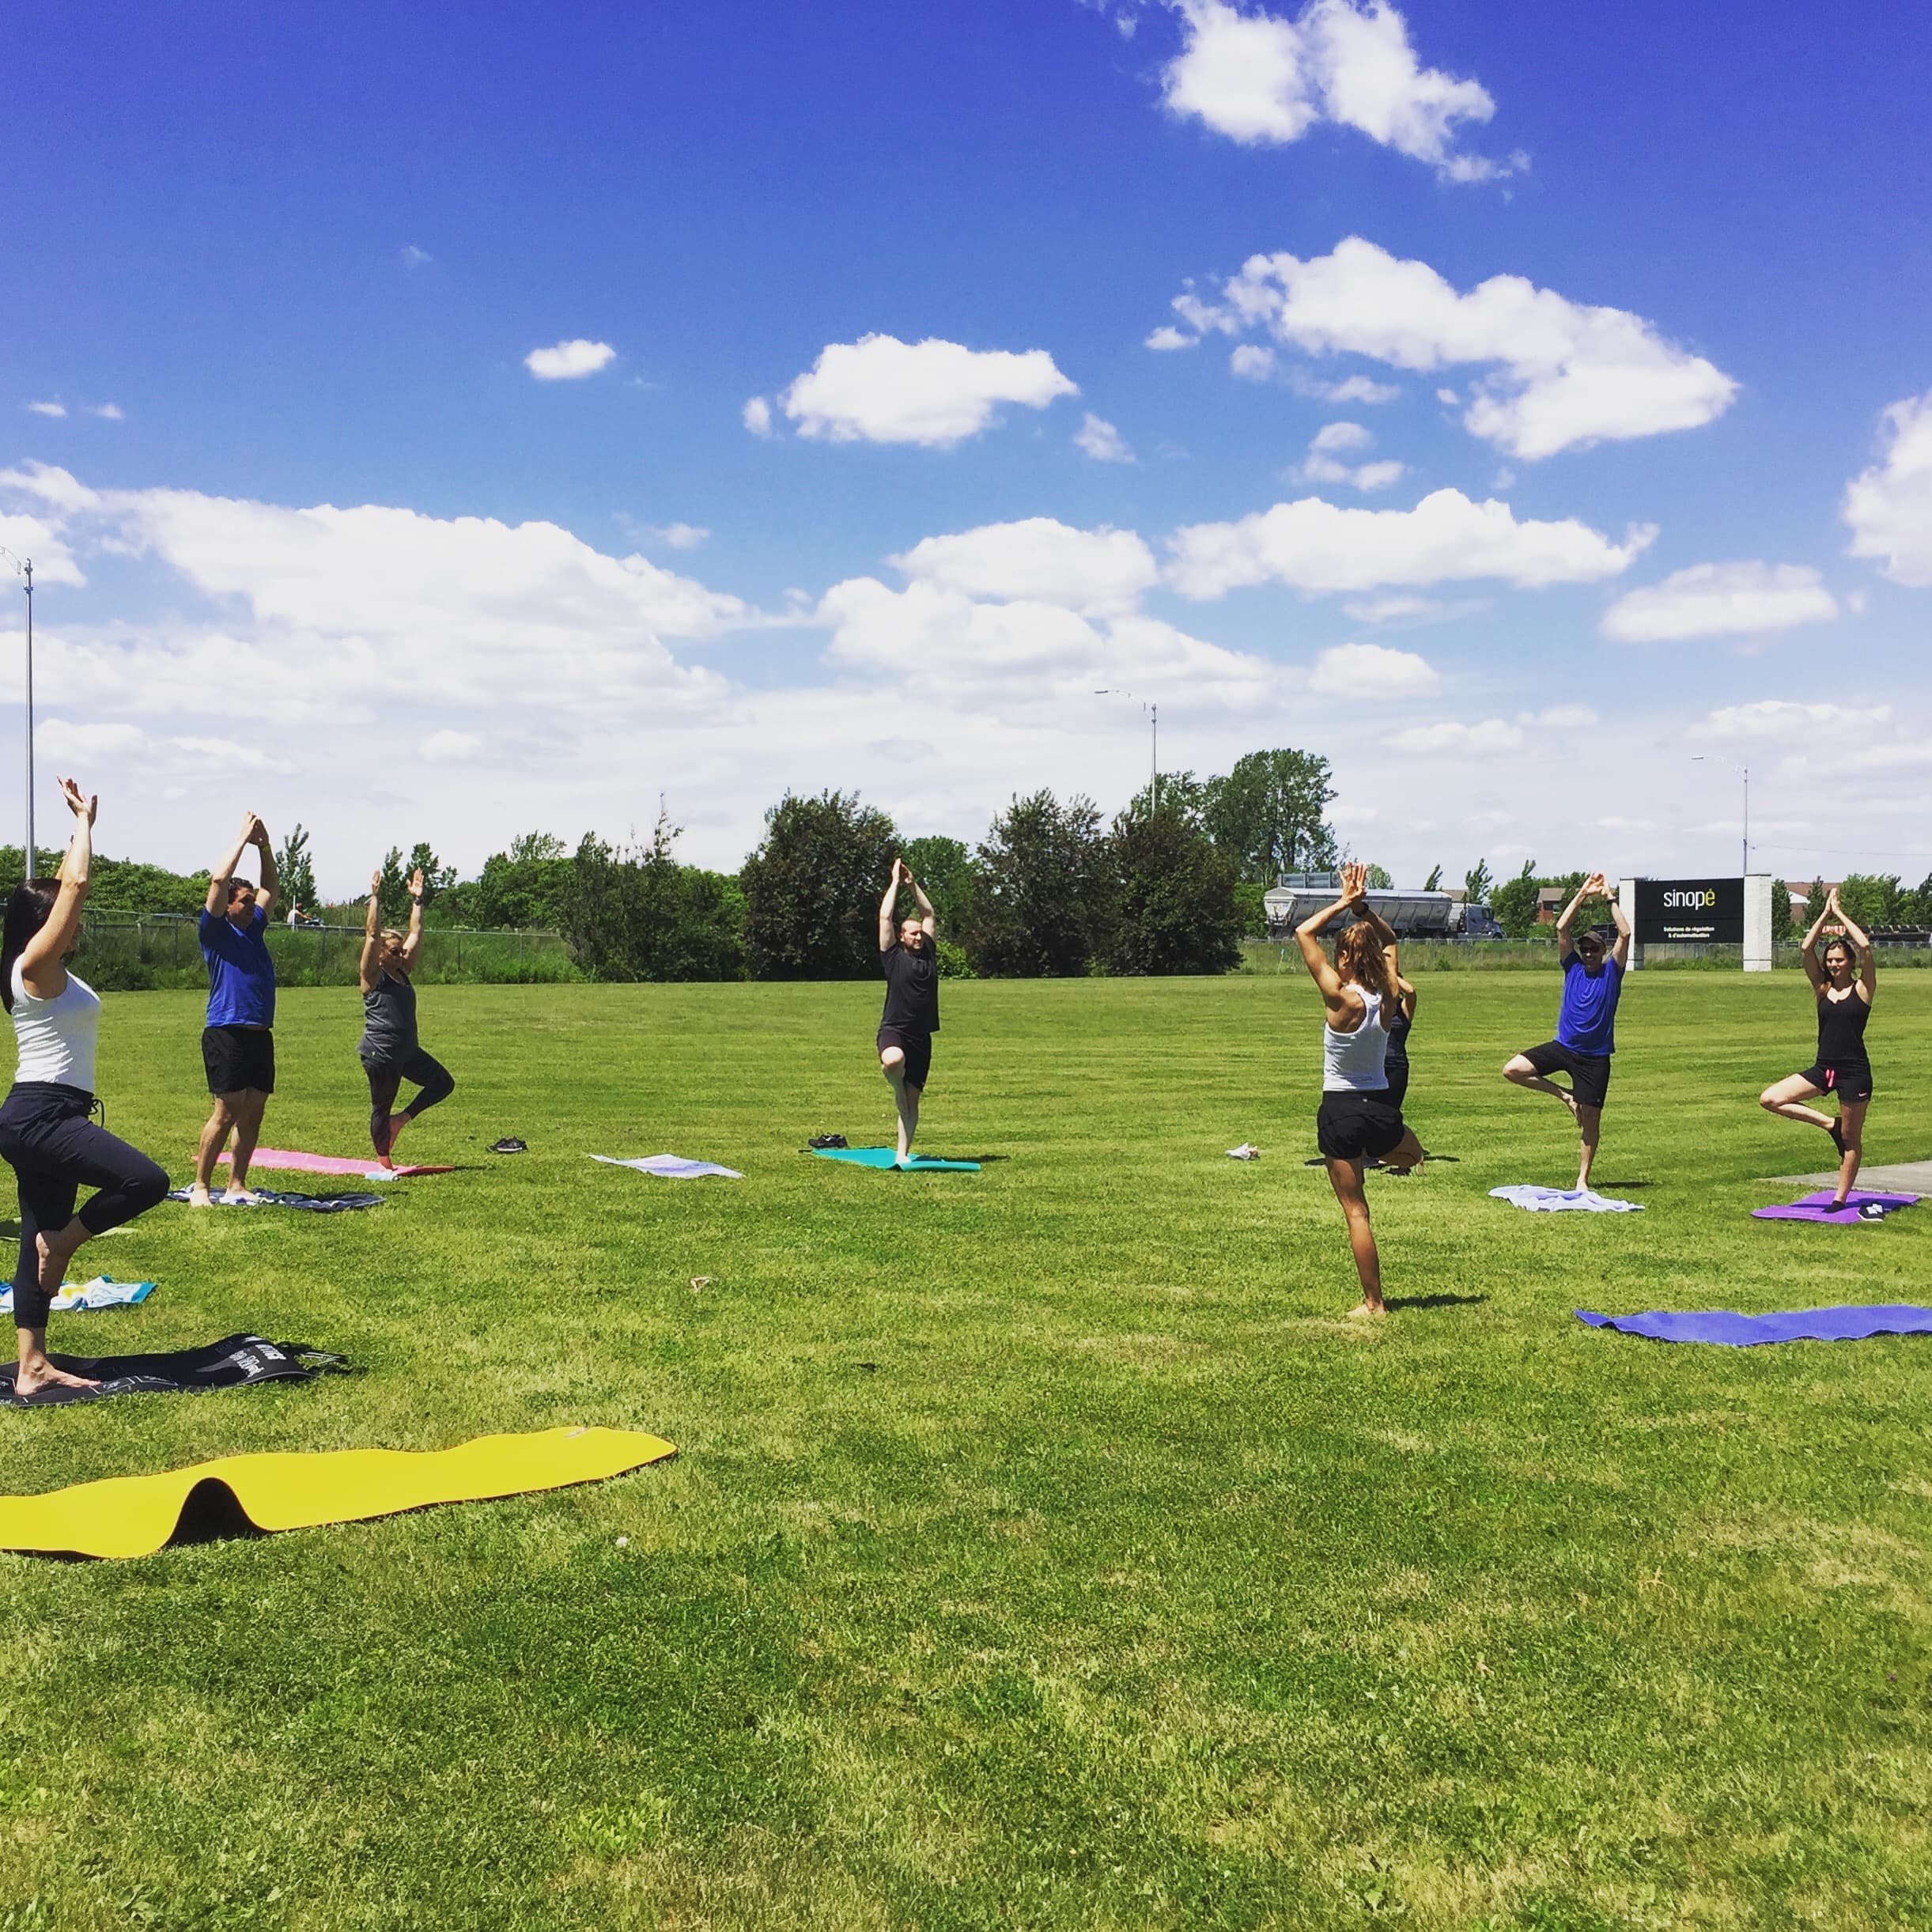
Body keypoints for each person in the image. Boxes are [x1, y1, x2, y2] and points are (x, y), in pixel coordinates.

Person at [0, 779, 169, 1397]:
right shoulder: (30, 968)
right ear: (38, 926)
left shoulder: (55, 975)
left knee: (36, 1230)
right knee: (146, 1181)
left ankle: (32, 1365)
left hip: (44, 1112)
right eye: (65, 920)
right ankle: (64, 1245)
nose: (77, 925)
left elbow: (72, 897)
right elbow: (72, 886)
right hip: (42, 1113)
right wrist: (83, 825)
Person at [1296, 863, 1426, 1317]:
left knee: (1357, 1211)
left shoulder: (1340, 998)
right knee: (1414, 1158)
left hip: (1341, 1112)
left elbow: (1303, 933)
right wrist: (1365, 909)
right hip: (1381, 1110)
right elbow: (1390, 941)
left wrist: (1343, 903)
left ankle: (1374, 1303)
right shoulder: (1388, 997)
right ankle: (1382, 1156)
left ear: (1345, 960)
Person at [1502, 871, 1631, 1191]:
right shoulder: (1571, 966)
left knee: (1592, 1121)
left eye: (1593, 950)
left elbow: (1625, 934)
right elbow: (1562, 928)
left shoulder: (1612, 972)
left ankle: (1582, 1181)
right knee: (1513, 1070)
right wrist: (1583, 893)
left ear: (1602, 952)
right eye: (1584, 949)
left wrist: (1609, 898)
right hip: (1564, 1047)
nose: (1588, 954)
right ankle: (1566, 1096)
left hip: (1595, 1058)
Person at [1760, 886, 1876, 1206]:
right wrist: (1824, 914)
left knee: (1852, 1140)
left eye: (1839, 960)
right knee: (1770, 1099)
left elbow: (1865, 945)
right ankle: (1829, 1124)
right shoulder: (1822, 987)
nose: (1835, 964)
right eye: (1831, 961)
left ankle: (1840, 1199)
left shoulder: (1863, 988)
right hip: (1824, 1070)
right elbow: (1806, 947)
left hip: (1854, 1073)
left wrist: (1840, 914)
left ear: (1850, 962)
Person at [187, 813, 280, 1206]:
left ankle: (237, 1184)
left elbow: (270, 886)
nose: (252, 904)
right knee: (225, 1113)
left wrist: (265, 846)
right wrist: (243, 837)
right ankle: (203, 1187)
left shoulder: (254, 928)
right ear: (228, 906)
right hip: (227, 1031)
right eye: (244, 900)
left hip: (260, 1033)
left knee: (253, 1113)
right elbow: (218, 882)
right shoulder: (216, 932)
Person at [358, 867, 455, 1165]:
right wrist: (375, 898)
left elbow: (416, 932)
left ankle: (400, 1121)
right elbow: (372, 934)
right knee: (381, 1107)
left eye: (401, 951)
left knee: (442, 1083)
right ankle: (384, 1161)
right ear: (381, 955)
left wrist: (418, 900)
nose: (402, 954)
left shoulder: (401, 970)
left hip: (407, 1052)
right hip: (381, 1051)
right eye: (396, 951)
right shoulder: (372, 975)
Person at [877, 857, 939, 1166]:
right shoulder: (892, 956)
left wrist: (912, 884)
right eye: (912, 933)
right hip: (895, 1030)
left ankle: (902, 1155)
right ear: (902, 937)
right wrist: (894, 883)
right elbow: (885, 917)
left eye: (919, 933)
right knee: (893, 1061)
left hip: (921, 1037)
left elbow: (928, 913)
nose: (918, 936)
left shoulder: (928, 953)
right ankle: (893, 1082)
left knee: (912, 1103)